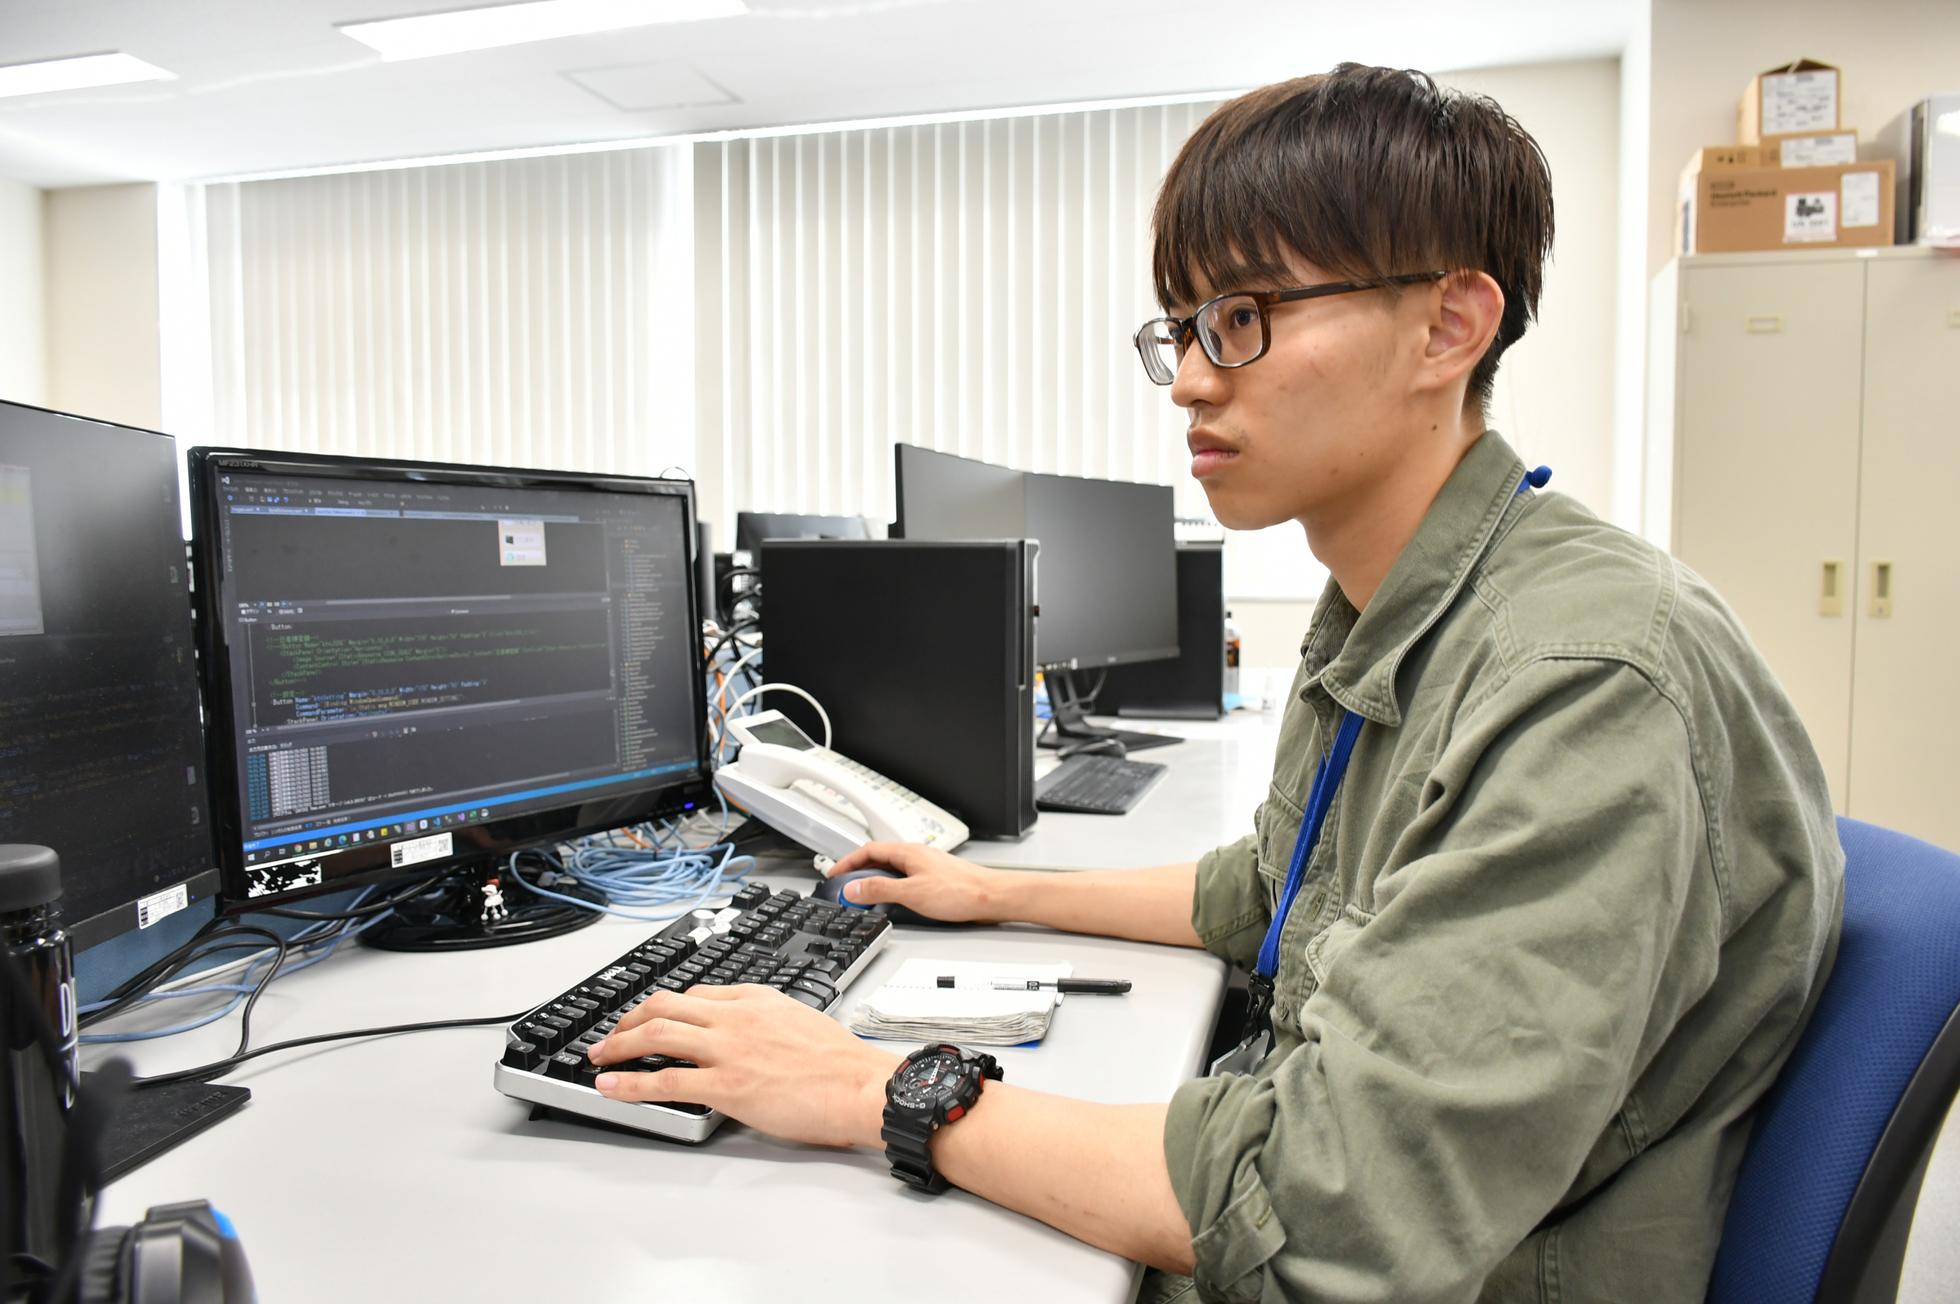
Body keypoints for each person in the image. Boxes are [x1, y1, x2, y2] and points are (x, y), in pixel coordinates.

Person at [587, 63, 1843, 1303]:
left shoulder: (1582, 679)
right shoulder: (1397, 608)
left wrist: (868, 1088)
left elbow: (1329, 1208)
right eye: (1183, 328)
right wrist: (985, 890)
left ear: (1448, 326)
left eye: (1243, 316)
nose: (1190, 377)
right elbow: (1274, 888)